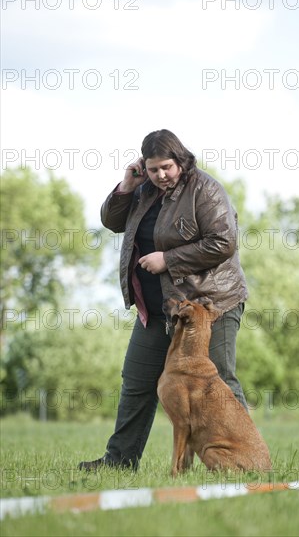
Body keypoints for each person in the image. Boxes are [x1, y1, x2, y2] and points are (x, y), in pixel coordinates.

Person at [79, 129, 249, 471]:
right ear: (144, 166)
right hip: (160, 308)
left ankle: (248, 459)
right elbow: (112, 222)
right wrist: (126, 185)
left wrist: (167, 259)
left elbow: (223, 242)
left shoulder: (206, 189)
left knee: (219, 382)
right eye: (154, 169)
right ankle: (119, 461)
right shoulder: (143, 190)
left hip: (210, 305)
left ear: (180, 160)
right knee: (137, 381)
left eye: (167, 168)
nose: (161, 175)